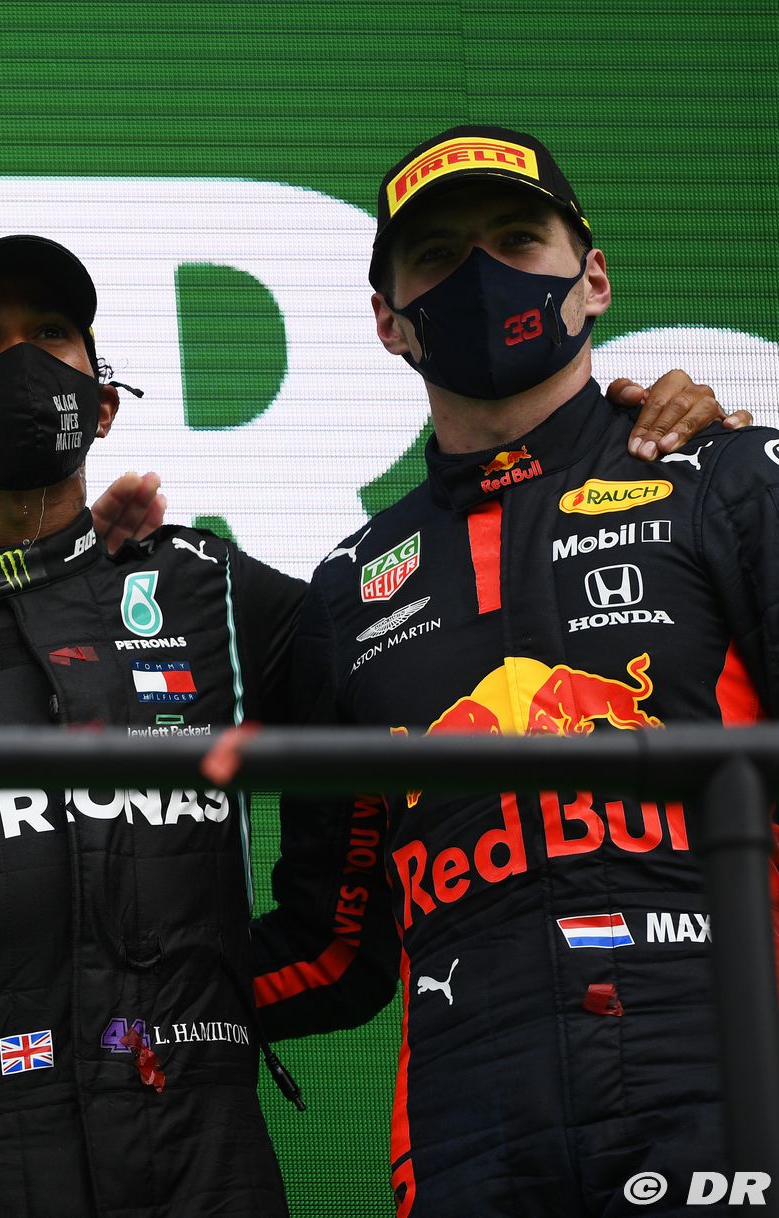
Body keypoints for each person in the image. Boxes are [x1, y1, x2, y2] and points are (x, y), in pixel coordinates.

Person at [0, 233, 740, 1218]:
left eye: (51, 336)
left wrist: (609, 445)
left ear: (104, 405)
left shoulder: (207, 591)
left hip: (205, 1165)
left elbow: (450, 645)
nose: (21, 362)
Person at [250, 125, 779, 1217]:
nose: (482, 274)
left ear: (594, 279)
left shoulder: (729, 480)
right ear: (389, 322)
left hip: (732, 1095)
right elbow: (335, 945)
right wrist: (111, 1016)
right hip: (472, 1137)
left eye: (516, 240)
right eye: (439, 257)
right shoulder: (347, 591)